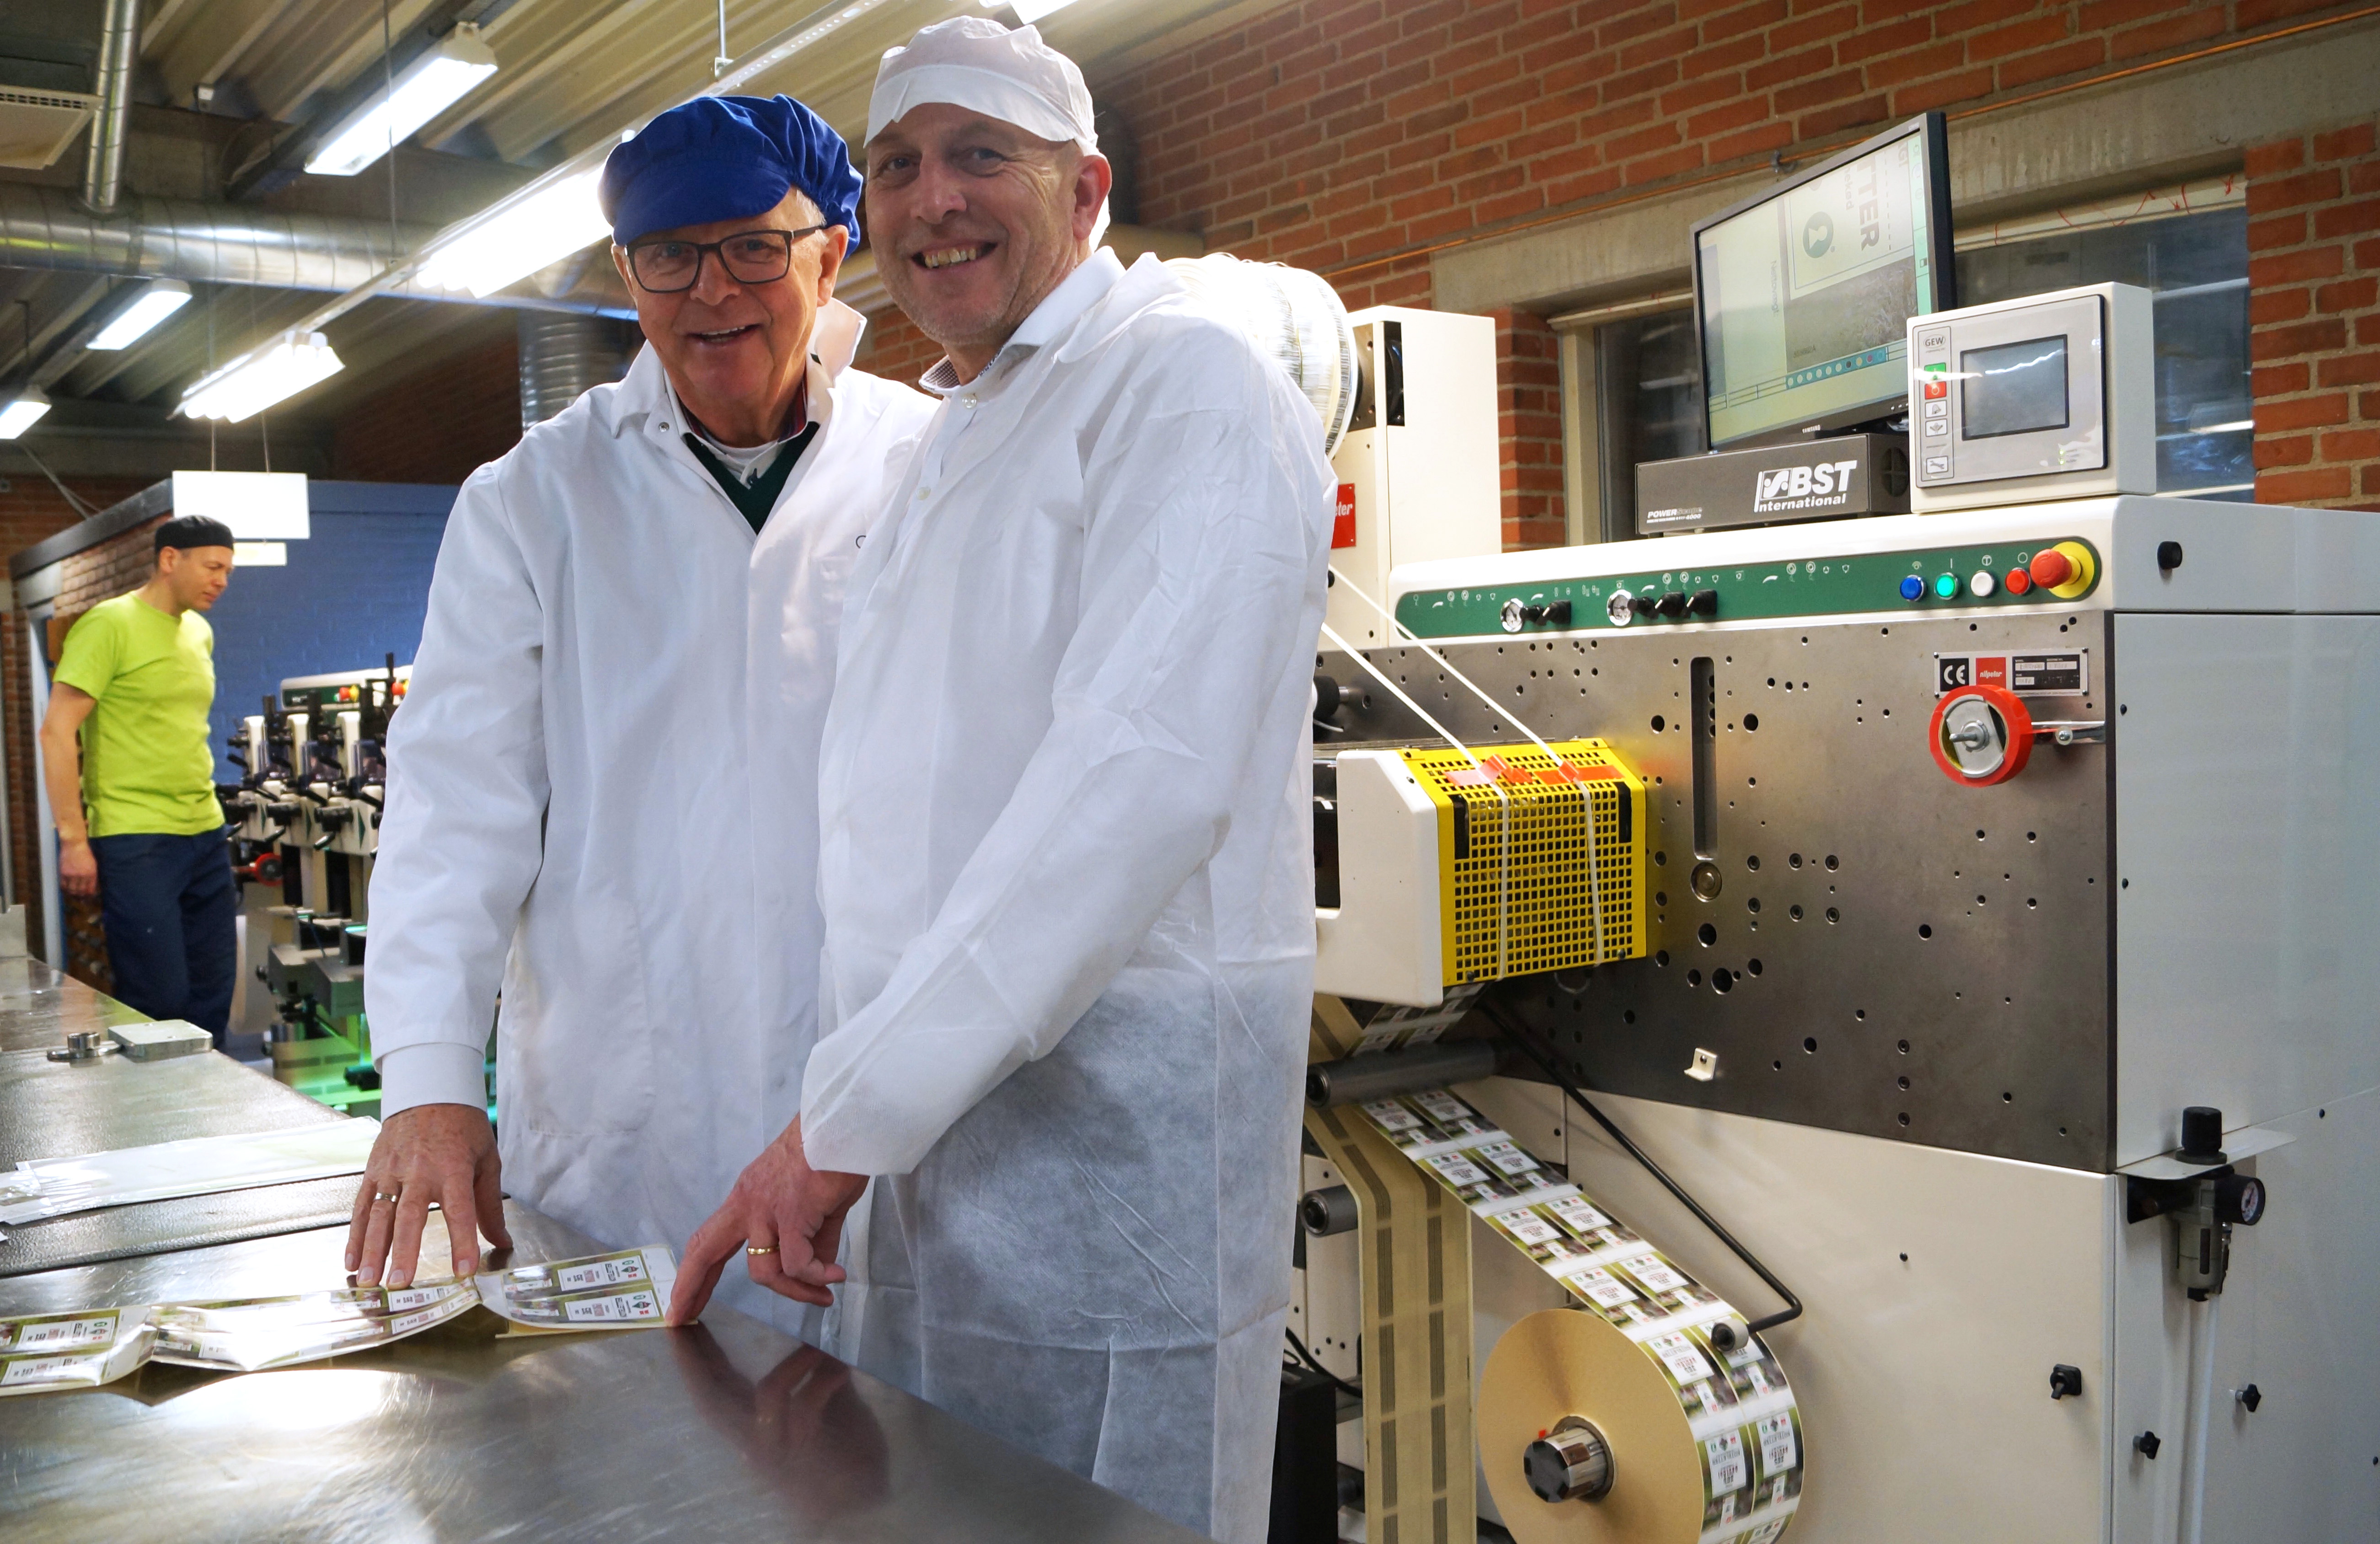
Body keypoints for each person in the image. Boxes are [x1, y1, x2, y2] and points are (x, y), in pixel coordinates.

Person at [670, 20, 1334, 1542]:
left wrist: (840, 1122)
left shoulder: (1183, 387)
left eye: (982, 155)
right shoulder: (958, 430)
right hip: (930, 1146)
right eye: (898, 166)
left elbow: (1134, 788)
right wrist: (858, 1107)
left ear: (1085, 190)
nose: (935, 199)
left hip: (1108, 1153)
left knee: (1104, 1507)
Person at [345, 94, 937, 1320]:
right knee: (638, 1422)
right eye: (669, 254)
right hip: (625, 1118)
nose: (712, 290)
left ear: (830, 254)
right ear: (626, 275)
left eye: (754, 247)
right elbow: (455, 808)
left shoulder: (936, 464)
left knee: (883, 1429)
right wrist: (431, 1079)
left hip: (878, 1110)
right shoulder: (533, 499)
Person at [41, 515, 239, 1043]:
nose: (222, 581)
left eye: (228, 570)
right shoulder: (109, 624)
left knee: (214, 991)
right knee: (159, 999)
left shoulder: (198, 631)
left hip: (204, 830)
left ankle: (210, 1093)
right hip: (136, 836)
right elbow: (56, 732)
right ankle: (154, 1096)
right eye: (213, 567)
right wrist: (73, 840)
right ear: (170, 559)